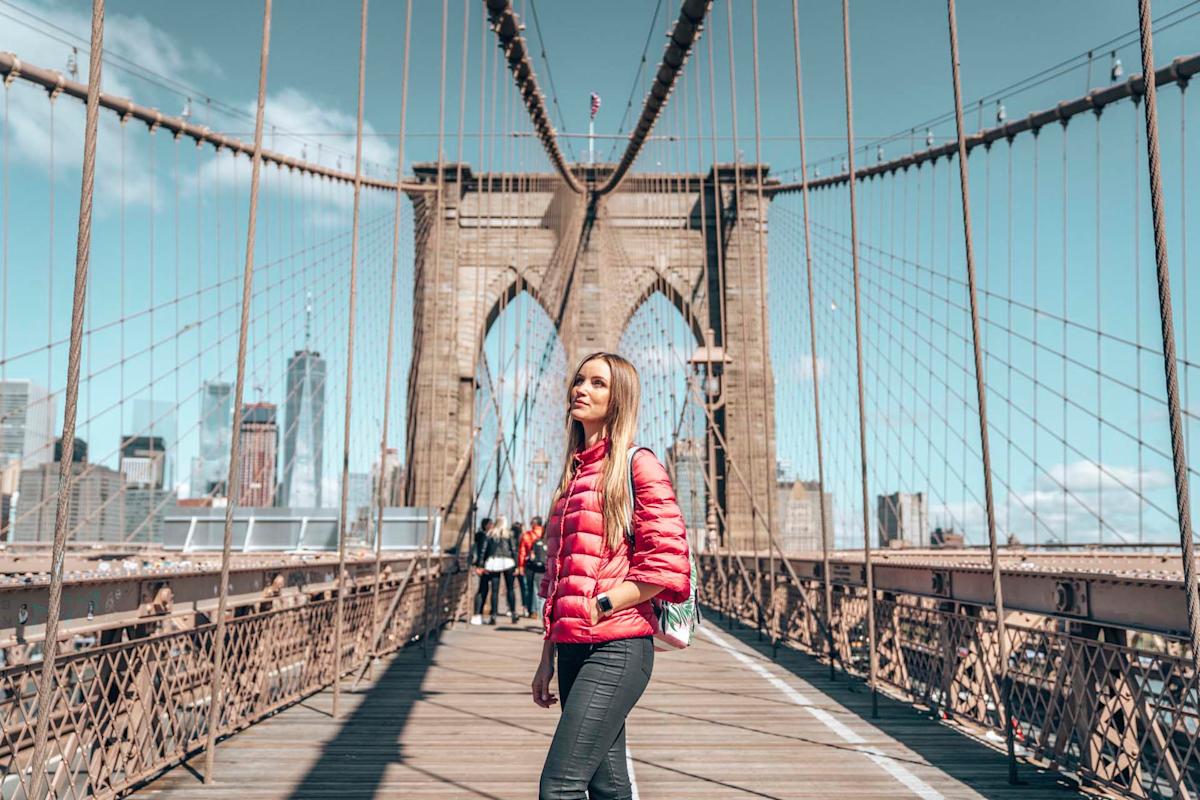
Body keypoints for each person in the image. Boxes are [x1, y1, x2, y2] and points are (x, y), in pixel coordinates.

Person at [532, 352, 690, 800]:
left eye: (598, 383)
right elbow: (559, 576)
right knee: (608, 785)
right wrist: (547, 657)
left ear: (618, 398)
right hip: (571, 649)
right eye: (579, 380)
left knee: (559, 786)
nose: (580, 389)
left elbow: (666, 564)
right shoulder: (572, 476)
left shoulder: (638, 465)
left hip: (617, 648)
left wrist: (601, 604)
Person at [472, 514, 519, 625]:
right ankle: (513, 613)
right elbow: (513, 550)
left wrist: (480, 565)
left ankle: (493, 616)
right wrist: (516, 565)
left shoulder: (490, 534)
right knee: (510, 588)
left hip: (494, 562)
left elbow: (483, 550)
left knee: (494, 590)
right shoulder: (509, 534)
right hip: (508, 562)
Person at [517, 516, 546, 619]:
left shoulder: (527, 535)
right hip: (545, 565)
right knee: (542, 589)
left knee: (530, 588)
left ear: (533, 524)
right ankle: (539, 611)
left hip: (530, 565)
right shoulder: (546, 534)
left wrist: (520, 566)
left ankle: (532, 610)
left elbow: (522, 552)